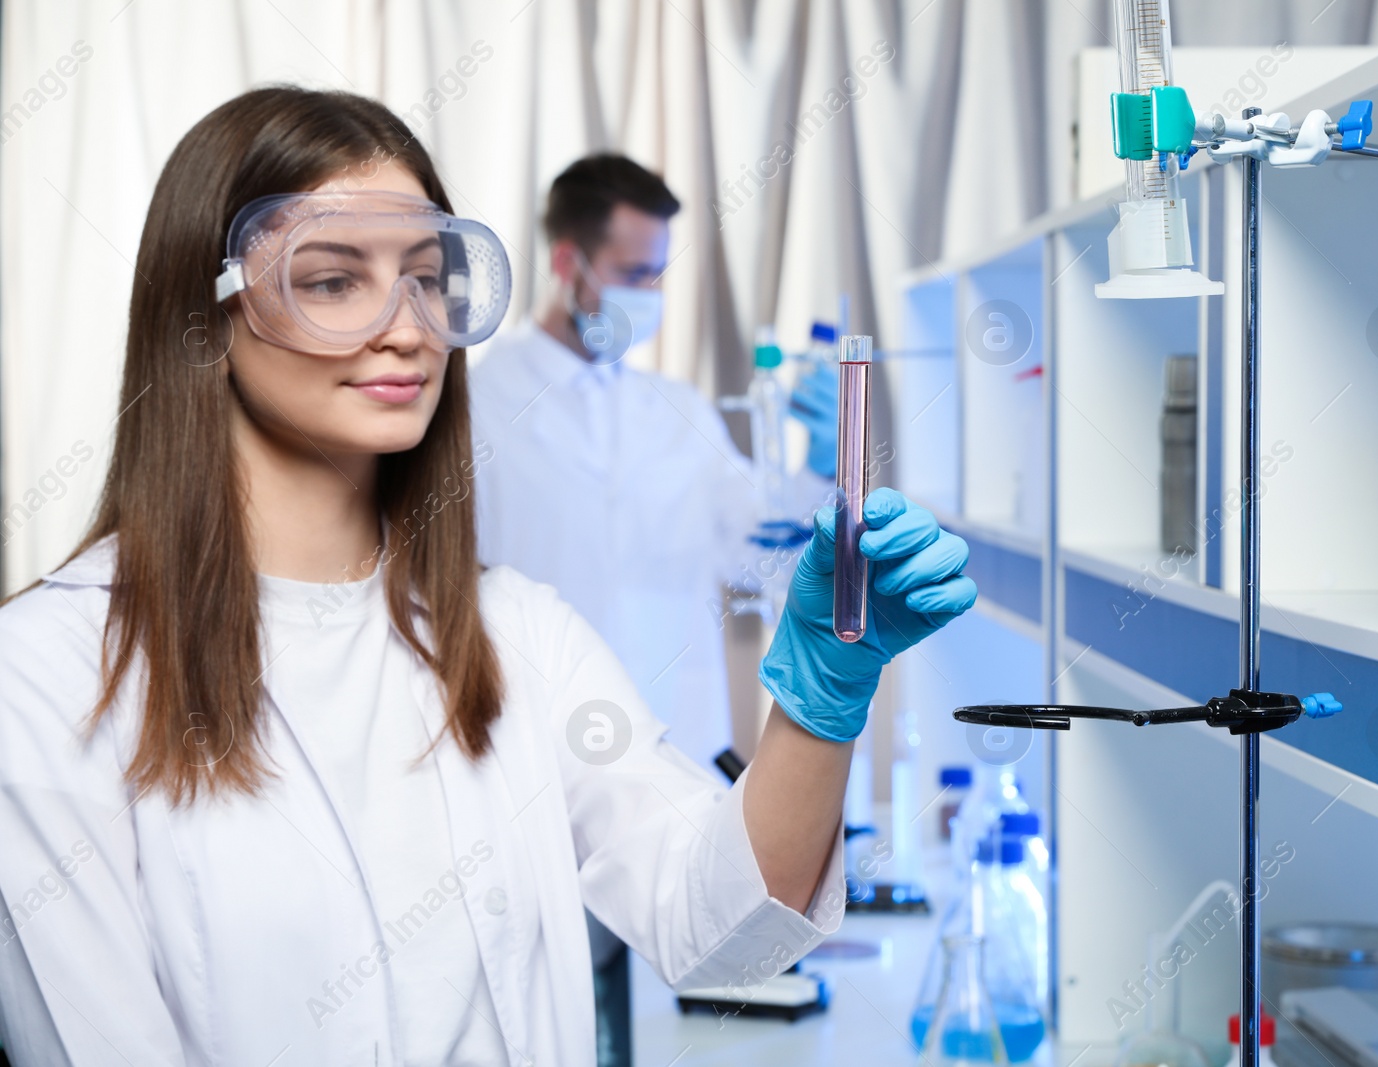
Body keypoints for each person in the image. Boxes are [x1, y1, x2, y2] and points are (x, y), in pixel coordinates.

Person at [0, 87, 975, 1066]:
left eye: (427, 279)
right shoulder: (47, 677)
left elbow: (721, 925)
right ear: (203, 318)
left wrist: (823, 693)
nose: (409, 326)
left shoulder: (520, 634)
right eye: (335, 280)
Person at [470, 153, 839, 772]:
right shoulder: (477, 403)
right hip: (530, 755)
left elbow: (763, 559)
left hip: (677, 747)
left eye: (657, 274)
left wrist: (821, 469)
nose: (651, 294)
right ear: (567, 263)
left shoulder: (679, 411)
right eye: (634, 273)